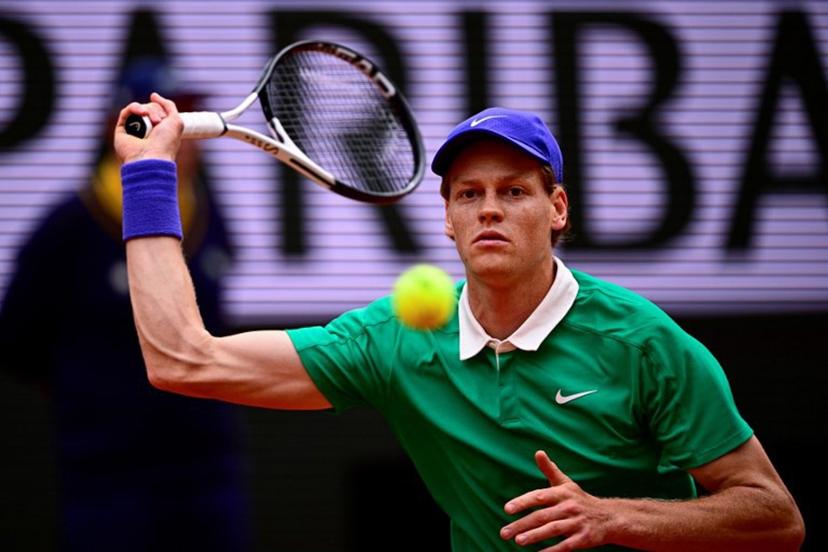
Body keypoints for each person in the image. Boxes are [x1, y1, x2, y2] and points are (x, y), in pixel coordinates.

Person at [113, 94, 805, 551]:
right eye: (469, 194)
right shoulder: (395, 339)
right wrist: (147, 176)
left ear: (557, 209)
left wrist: (613, 516)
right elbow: (183, 361)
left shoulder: (643, 344)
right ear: (448, 219)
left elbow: (776, 518)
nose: (489, 209)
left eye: (514, 191)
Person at [0, 61, 248, 551]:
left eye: (188, 118)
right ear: (123, 129)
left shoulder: (211, 216)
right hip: (106, 474)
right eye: (165, 120)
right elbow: (15, 341)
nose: (183, 134)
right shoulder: (67, 228)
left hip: (206, 465)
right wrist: (91, 389)